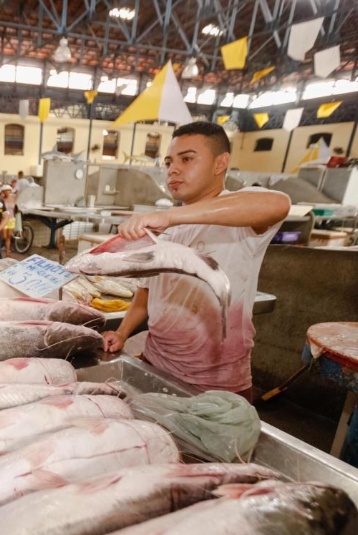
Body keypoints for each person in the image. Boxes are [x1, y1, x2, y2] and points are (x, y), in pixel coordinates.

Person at [103, 121, 290, 401]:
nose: (172, 170)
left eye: (187, 159)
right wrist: (122, 333)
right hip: (156, 366)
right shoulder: (167, 230)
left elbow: (279, 204)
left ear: (220, 163)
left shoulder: (239, 217)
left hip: (215, 382)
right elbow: (147, 292)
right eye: (168, 162)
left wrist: (169, 216)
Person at [1, 183, 16, 257]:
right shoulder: (1, 200)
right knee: (4, 236)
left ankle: (7, 252)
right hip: (4, 219)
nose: (7, 192)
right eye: (5, 191)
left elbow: (15, 209)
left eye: (8, 191)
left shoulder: (13, 199)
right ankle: (1, 247)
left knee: (9, 236)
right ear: (3, 192)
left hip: (11, 219)